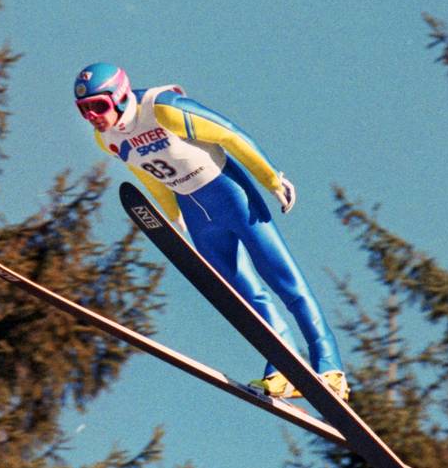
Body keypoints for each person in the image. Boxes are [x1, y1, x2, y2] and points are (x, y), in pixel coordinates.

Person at [73, 62, 349, 400]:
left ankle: (331, 368)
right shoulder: (107, 140)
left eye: (98, 106)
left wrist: (271, 179)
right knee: (246, 297)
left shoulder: (162, 109)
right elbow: (147, 175)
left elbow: (229, 134)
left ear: (119, 96)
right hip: (196, 214)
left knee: (284, 280)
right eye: (84, 110)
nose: (92, 116)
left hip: (231, 196)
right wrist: (173, 220)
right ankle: (283, 369)